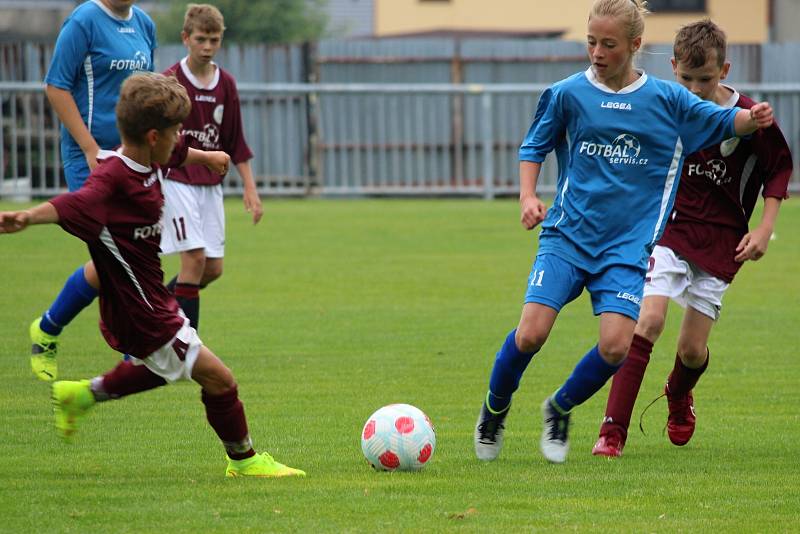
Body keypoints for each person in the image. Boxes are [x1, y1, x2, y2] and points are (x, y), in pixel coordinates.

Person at [472, 0, 775, 464]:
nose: (596, 52)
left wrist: (750, 120)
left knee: (615, 347)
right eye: (591, 42)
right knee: (531, 334)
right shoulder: (567, 94)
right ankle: (494, 410)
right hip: (568, 236)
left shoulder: (668, 101)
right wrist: (527, 197)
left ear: (634, 45)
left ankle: (561, 406)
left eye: (608, 44)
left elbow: (721, 119)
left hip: (628, 247)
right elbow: (534, 146)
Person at [0, 72, 304, 478]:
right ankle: (245, 461)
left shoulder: (151, 157)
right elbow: (74, 203)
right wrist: (26, 216)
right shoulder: (111, 178)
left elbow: (177, 153)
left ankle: (81, 395)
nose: (182, 136)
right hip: (140, 312)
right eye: (177, 129)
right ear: (155, 135)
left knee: (164, 370)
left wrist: (208, 157)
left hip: (151, 300)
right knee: (220, 380)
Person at [591, 19, 792, 458]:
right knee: (649, 320)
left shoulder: (747, 115)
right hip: (670, 229)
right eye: (686, 79)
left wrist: (764, 226)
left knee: (692, 349)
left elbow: (779, 167)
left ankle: (679, 394)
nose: (696, 89)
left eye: (705, 79)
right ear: (672, 68)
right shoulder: (664, 107)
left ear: (724, 71)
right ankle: (612, 432)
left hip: (723, 240)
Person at [31, 0, 157, 381]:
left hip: (131, 157)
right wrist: (88, 147)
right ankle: (128, 349)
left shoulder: (145, 25)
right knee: (115, 254)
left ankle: (49, 328)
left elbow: (144, 95)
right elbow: (56, 86)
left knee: (120, 255)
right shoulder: (84, 20)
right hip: (90, 158)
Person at [159, 3, 263, 331]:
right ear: (185, 38)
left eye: (214, 40)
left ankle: (154, 311)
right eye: (201, 39)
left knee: (213, 268)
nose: (207, 47)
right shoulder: (170, 80)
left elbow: (235, 142)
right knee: (194, 258)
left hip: (210, 186)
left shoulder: (226, 84)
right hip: (176, 180)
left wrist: (250, 188)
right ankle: (185, 347)